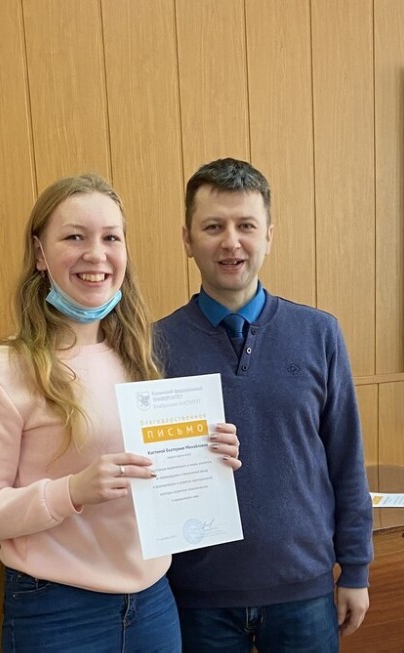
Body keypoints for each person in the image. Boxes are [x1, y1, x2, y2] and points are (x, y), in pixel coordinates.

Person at [0, 173, 241, 652]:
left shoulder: (141, 359)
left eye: (110, 238)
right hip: (58, 613)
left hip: (154, 603)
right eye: (74, 237)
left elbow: (155, 482)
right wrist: (71, 491)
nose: (96, 254)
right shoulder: (1, 372)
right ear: (40, 253)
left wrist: (208, 455)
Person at [154, 158, 374, 651]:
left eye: (246, 226)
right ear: (187, 239)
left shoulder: (319, 333)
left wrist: (356, 569)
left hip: (304, 589)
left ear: (269, 236)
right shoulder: (152, 346)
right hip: (195, 596)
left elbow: (346, 460)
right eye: (213, 227)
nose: (231, 242)